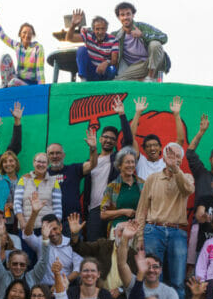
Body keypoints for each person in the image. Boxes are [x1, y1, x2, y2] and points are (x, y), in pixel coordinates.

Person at [135, 141, 194, 299]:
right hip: (153, 230)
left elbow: (187, 190)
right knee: (153, 277)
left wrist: (176, 170)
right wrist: (139, 237)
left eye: (177, 156)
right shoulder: (152, 179)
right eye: (170, 154)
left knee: (177, 280)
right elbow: (142, 210)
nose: (173, 158)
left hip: (177, 232)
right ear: (163, 156)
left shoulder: (186, 177)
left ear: (181, 161)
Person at [84, 101, 135, 241]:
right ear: (100, 139)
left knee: (113, 248)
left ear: (115, 142)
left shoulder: (117, 159)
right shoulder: (90, 162)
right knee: (93, 247)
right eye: (105, 137)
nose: (108, 140)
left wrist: (122, 114)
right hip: (94, 210)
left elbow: (129, 140)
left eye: (112, 139)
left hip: (113, 210)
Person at [46, 128, 98, 230]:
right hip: (50, 221)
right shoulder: (43, 174)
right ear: (47, 156)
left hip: (72, 220)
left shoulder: (73, 169)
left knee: (75, 245)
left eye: (58, 153)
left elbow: (93, 164)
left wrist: (93, 148)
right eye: (51, 153)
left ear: (64, 155)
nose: (55, 156)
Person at [0, 219, 52, 299]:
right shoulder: (2, 276)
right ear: (8, 264)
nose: (18, 267)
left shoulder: (32, 277)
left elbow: (44, 261)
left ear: (26, 266)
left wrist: (45, 239)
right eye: (15, 264)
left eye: (22, 264)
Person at [0, 1, 44, 86]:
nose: (27, 35)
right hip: (18, 80)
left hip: (31, 85)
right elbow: (2, 36)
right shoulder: (17, 46)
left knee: (14, 82)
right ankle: (4, 86)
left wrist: (41, 90)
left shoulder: (37, 48)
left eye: (30, 33)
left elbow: (40, 70)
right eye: (24, 32)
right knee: (5, 58)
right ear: (20, 34)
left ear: (32, 35)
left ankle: (8, 86)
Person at [112, 1, 169, 81]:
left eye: (128, 14)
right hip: (137, 67)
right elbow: (102, 39)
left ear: (133, 15)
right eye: (122, 15)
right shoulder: (117, 35)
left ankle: (150, 77)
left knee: (155, 44)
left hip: (152, 63)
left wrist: (142, 34)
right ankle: (142, 80)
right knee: (118, 81)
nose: (125, 17)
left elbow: (164, 37)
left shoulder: (143, 27)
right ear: (119, 17)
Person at [23, 214, 82, 286]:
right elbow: (27, 235)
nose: (52, 233)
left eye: (55, 229)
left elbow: (78, 269)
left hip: (66, 285)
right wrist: (34, 212)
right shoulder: (40, 241)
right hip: (44, 288)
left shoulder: (72, 244)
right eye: (49, 230)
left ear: (60, 227)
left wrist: (61, 283)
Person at [13, 153, 62, 233]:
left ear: (48, 164)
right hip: (26, 226)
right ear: (33, 162)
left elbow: (57, 207)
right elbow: (17, 203)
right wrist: (22, 221)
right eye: (38, 161)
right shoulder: (24, 180)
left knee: (45, 246)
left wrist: (56, 225)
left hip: (47, 229)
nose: (41, 164)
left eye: (44, 162)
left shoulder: (54, 182)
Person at [100, 147, 144, 236]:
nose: (131, 165)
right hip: (118, 229)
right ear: (119, 165)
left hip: (139, 229)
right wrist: (123, 211)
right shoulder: (112, 187)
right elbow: (103, 214)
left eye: (133, 162)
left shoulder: (143, 184)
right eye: (127, 162)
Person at [65, 8, 118, 81]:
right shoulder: (88, 35)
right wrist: (73, 25)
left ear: (106, 29)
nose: (100, 32)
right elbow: (69, 38)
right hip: (91, 70)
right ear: (93, 29)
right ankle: (83, 80)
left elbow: (114, 60)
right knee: (81, 49)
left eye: (103, 29)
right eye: (97, 29)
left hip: (103, 72)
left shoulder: (113, 40)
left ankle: (107, 86)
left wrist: (106, 63)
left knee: (113, 69)